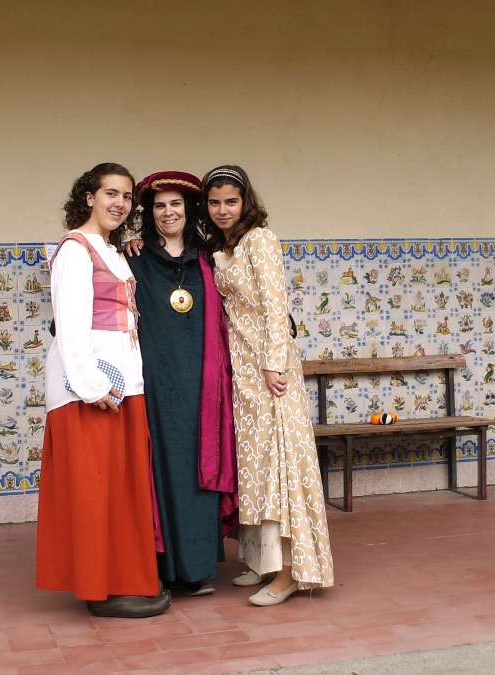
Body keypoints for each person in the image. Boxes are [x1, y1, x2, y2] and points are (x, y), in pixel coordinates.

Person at [35, 162, 170, 618]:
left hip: (123, 384)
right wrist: (90, 385)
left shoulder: (112, 251)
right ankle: (100, 588)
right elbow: (70, 326)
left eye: (127, 196)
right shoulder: (74, 250)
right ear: (89, 197)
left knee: (120, 488)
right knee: (95, 488)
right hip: (90, 389)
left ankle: (124, 578)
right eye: (111, 193)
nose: (120, 203)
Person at [203, 164, 334, 606]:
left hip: (268, 370)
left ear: (246, 202)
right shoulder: (223, 247)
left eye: (231, 201)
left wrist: (274, 364)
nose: (223, 210)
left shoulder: (261, 239)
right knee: (256, 468)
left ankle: (294, 572)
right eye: (214, 202)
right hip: (241, 373)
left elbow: (277, 307)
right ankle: (265, 562)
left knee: (281, 467)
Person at [126, 171, 238, 596]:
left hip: (203, 383)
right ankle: (163, 568)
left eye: (175, 204)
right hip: (157, 384)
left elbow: (243, 303)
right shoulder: (134, 258)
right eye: (159, 206)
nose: (168, 212)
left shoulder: (209, 258)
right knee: (161, 471)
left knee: (197, 468)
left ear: (189, 209)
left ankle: (196, 570)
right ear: (149, 213)